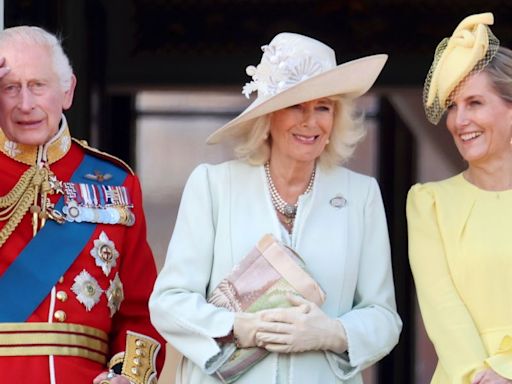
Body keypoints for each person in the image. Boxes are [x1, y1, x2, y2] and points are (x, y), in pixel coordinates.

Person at [149, 32, 402, 383]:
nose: (310, 121)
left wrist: (331, 332)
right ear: (267, 116)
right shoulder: (213, 185)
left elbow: (384, 316)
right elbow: (169, 303)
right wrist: (239, 327)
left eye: (323, 107)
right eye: (296, 105)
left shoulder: (361, 195)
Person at [0, 26, 165, 384]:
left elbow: (142, 310)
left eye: (38, 86)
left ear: (67, 90)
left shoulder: (116, 182)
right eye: (10, 88)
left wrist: (129, 378)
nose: (25, 104)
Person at [407, 12, 512, 384]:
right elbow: (441, 306)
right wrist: (481, 376)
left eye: (475, 103)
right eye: (452, 105)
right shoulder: (428, 202)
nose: (458, 119)